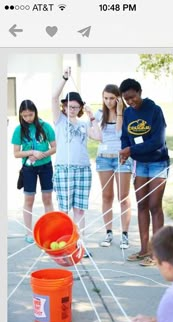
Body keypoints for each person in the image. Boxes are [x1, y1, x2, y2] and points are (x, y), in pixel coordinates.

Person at [119, 78, 169, 267]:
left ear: (140, 92)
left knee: (155, 205)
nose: (130, 102)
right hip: (140, 164)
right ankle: (144, 249)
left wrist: (131, 151)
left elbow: (158, 140)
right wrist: (125, 150)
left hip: (158, 162)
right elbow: (125, 136)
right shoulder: (128, 112)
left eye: (132, 97)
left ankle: (157, 254)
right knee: (141, 205)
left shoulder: (154, 110)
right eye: (126, 99)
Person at [52, 67, 101, 239]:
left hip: (83, 170)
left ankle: (80, 243)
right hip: (64, 169)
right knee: (64, 209)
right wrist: (64, 78)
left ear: (80, 108)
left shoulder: (83, 124)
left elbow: (98, 136)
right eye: (69, 106)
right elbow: (53, 97)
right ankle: (65, 241)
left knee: (79, 209)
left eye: (75, 107)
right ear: (64, 107)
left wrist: (92, 116)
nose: (71, 109)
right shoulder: (59, 120)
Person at [89, 84, 132, 249]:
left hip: (121, 158)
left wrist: (120, 110)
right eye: (105, 98)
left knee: (123, 197)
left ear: (118, 98)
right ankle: (108, 233)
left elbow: (120, 133)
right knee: (107, 196)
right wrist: (91, 117)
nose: (108, 101)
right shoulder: (99, 114)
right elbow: (95, 135)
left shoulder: (126, 113)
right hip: (104, 159)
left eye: (112, 98)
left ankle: (125, 235)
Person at [12, 100, 56, 243]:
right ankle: (29, 233)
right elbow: (16, 153)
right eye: (24, 116)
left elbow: (55, 147)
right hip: (28, 169)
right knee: (29, 199)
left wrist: (41, 154)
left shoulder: (45, 126)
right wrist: (31, 152)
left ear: (35, 112)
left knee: (47, 199)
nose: (28, 118)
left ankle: (50, 230)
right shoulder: (19, 129)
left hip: (46, 167)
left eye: (30, 115)